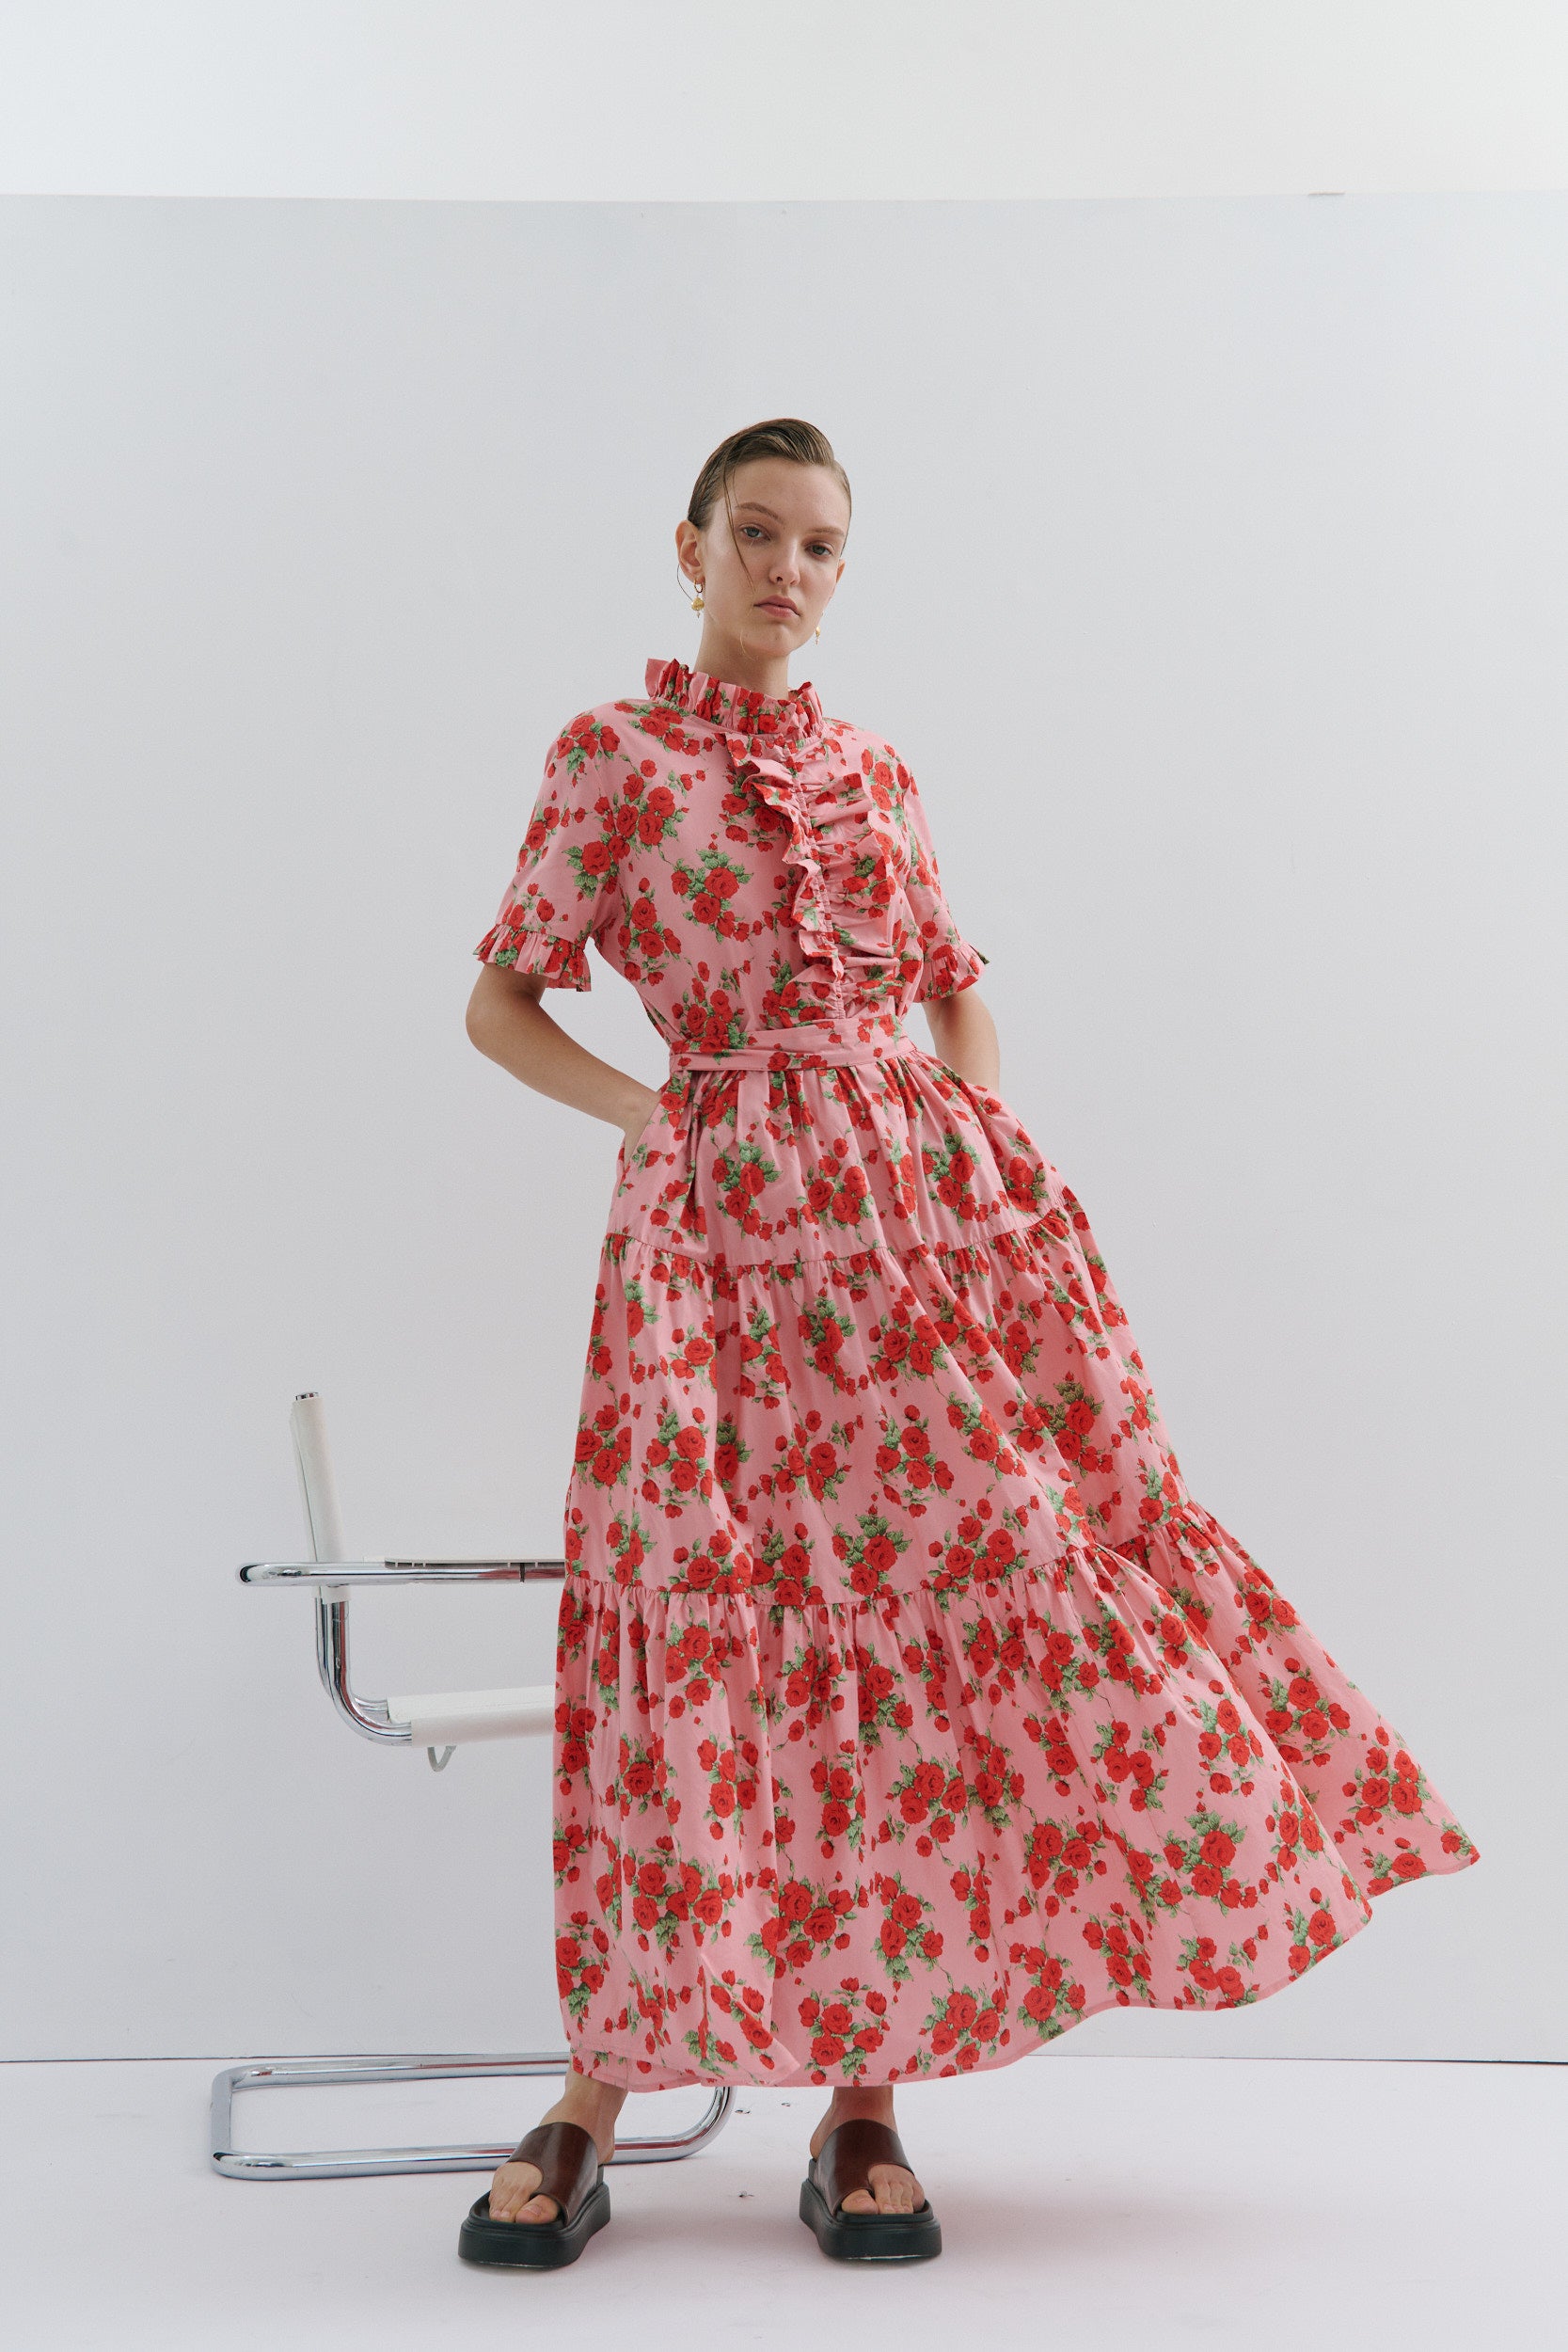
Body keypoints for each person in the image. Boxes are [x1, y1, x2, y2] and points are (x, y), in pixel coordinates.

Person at [458, 417, 1479, 2268]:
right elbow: (500, 1000)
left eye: (822, 543)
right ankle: (593, 2087)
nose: (788, 568)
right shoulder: (606, 759)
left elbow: (955, 995)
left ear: (845, 568)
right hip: (715, 1246)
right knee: (693, 1614)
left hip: (923, 1242)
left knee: (924, 1631)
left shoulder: (875, 766)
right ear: (685, 545)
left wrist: (977, 1162)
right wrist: (658, 1121)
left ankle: (865, 2102)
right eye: (755, 532)